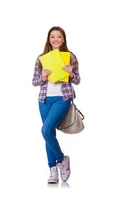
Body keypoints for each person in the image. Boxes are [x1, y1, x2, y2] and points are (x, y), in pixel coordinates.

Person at [31, 26, 80, 184]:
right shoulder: (41, 58)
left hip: (62, 97)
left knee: (45, 130)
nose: (56, 39)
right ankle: (53, 170)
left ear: (63, 39)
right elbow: (34, 82)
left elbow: (78, 80)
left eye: (59, 37)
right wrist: (43, 77)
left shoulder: (70, 57)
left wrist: (71, 73)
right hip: (44, 99)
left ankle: (61, 160)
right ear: (49, 39)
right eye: (53, 37)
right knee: (49, 134)